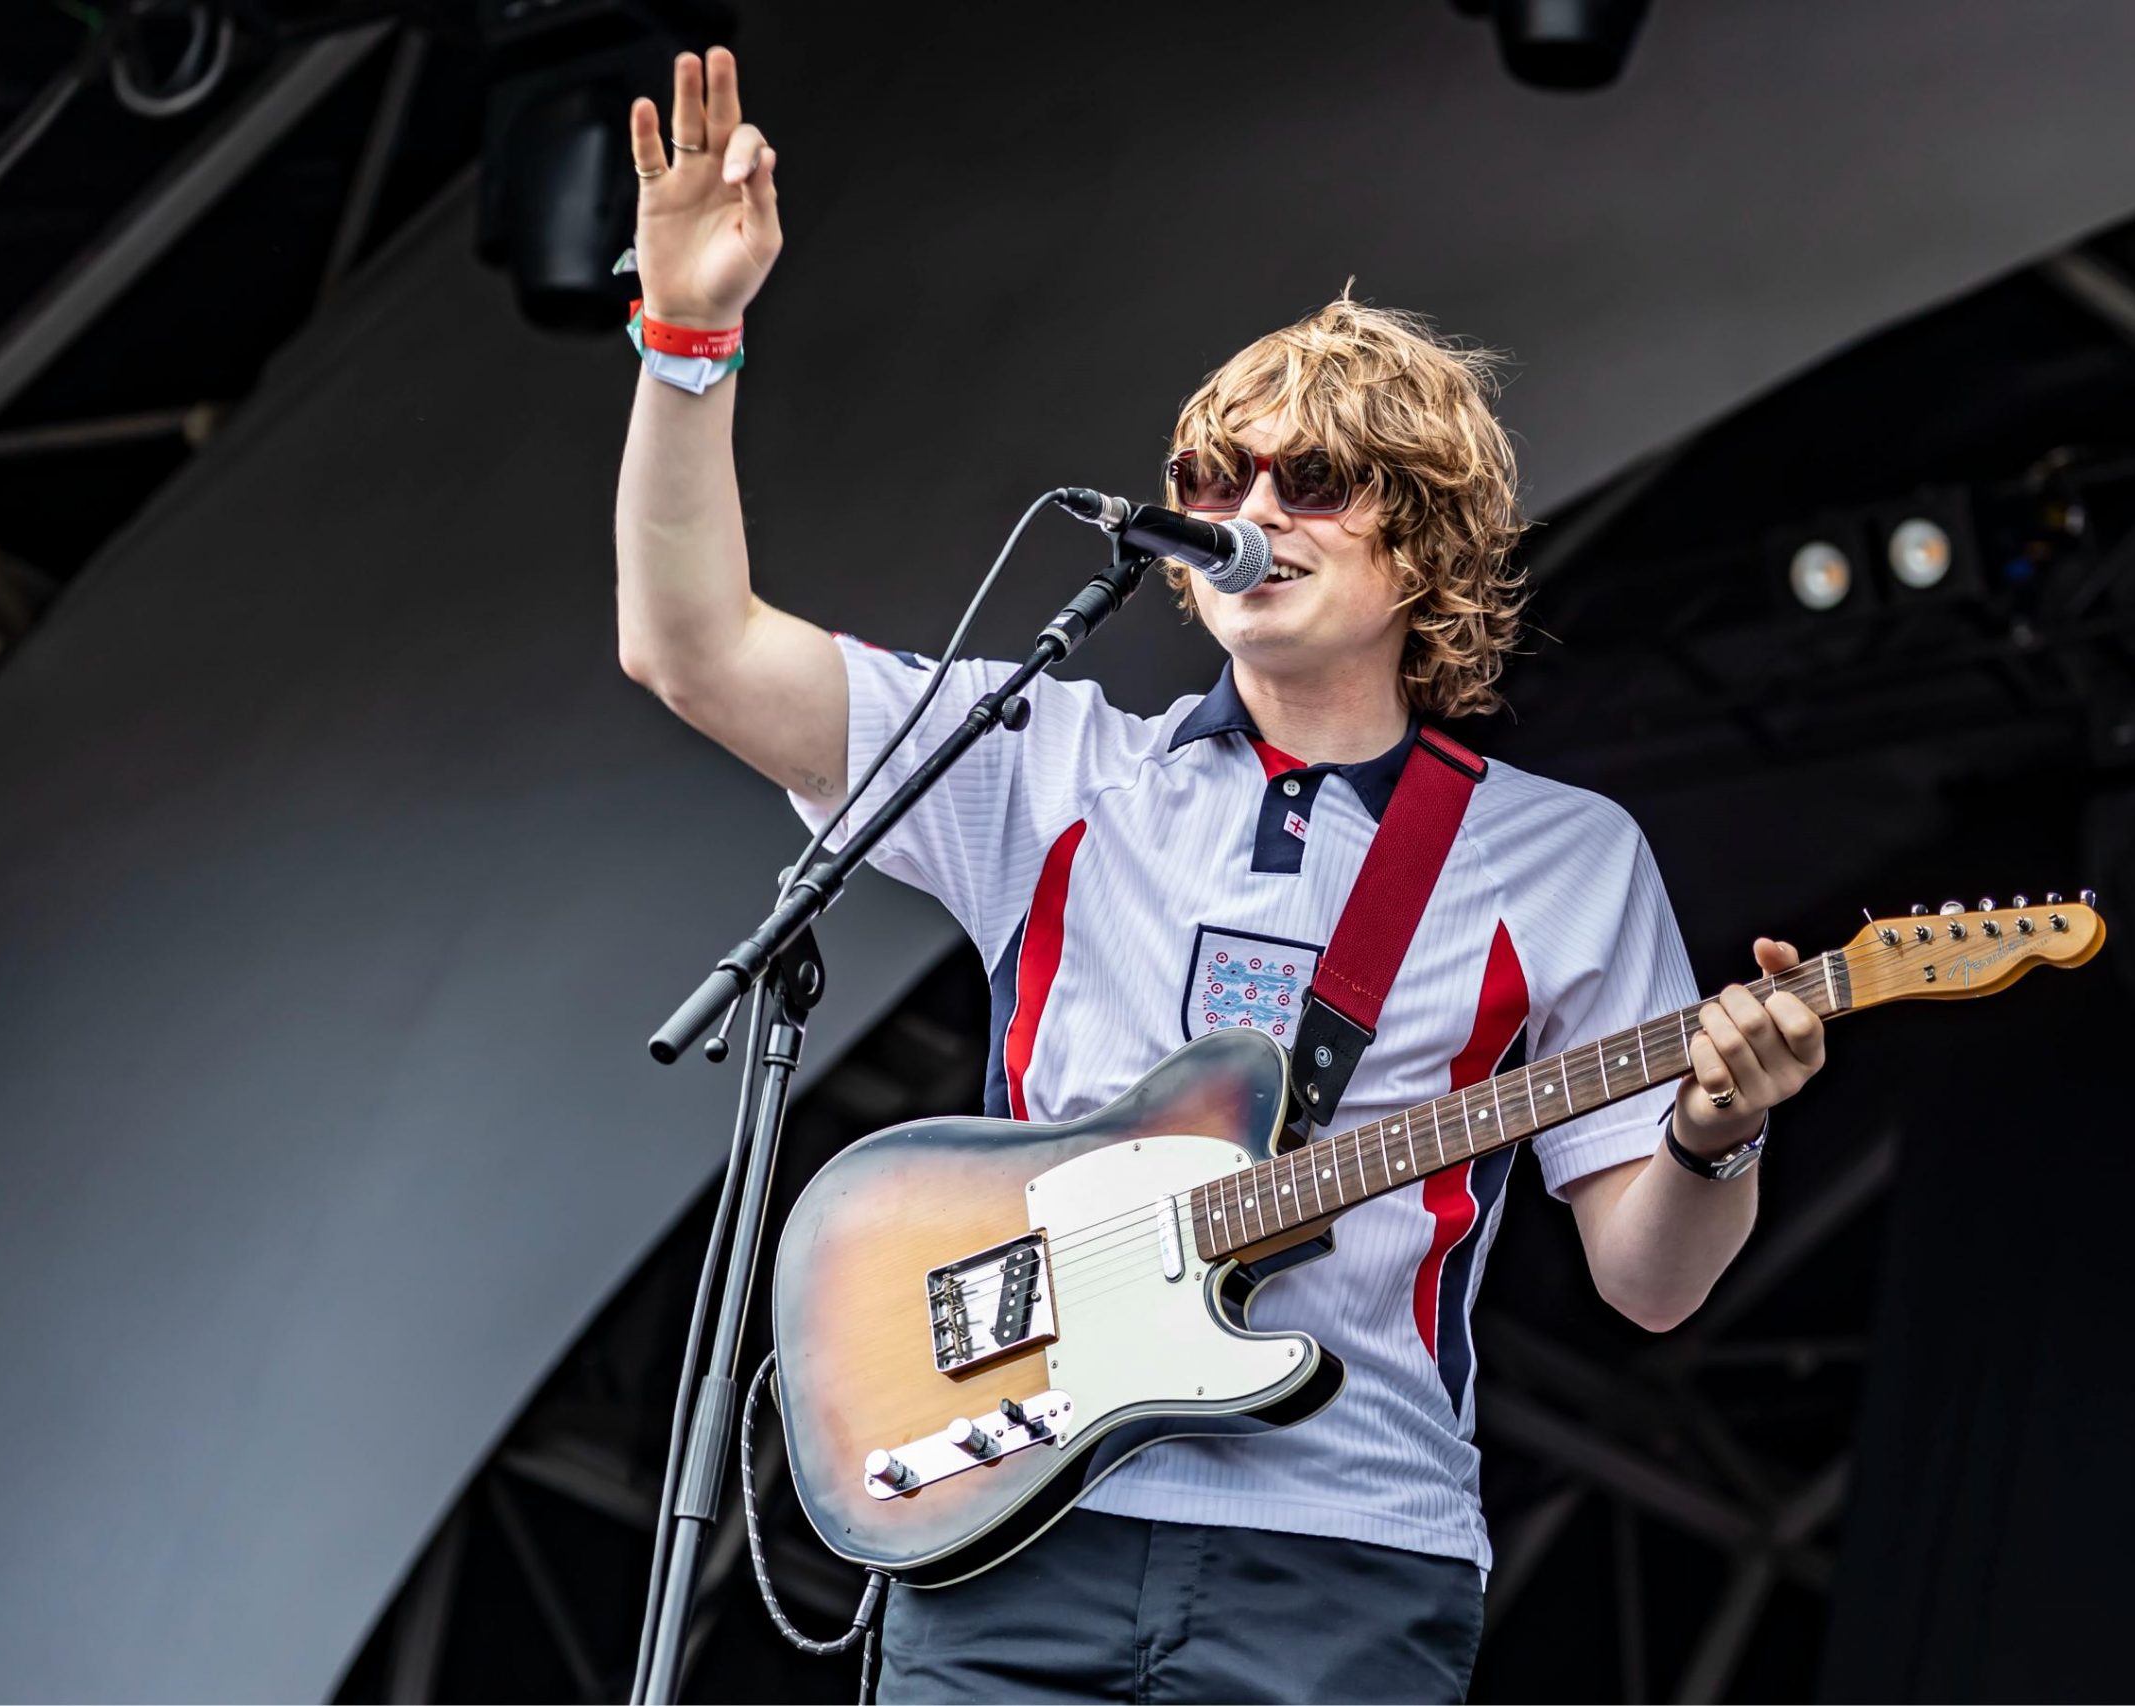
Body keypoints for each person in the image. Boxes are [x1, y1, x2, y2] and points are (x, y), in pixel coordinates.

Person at [615, 48, 1827, 1705]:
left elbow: (1653, 1281)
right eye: (1213, 480)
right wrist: (687, 342)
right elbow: (691, 648)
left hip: (1345, 1564)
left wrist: (1718, 1127)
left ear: (1423, 540)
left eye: (1310, 482)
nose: (1249, 508)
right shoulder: (1052, 762)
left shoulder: (1561, 858)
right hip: (1013, 1522)